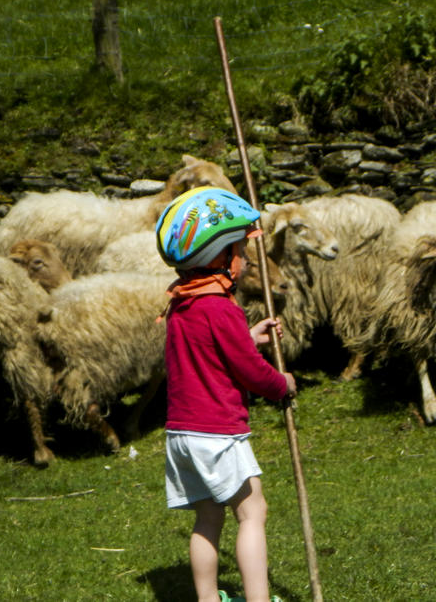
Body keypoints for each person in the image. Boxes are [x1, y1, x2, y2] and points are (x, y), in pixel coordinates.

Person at [156, 186, 297, 602]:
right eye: (240, 249)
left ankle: (206, 599)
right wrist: (281, 384)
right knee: (253, 512)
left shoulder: (181, 306)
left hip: (181, 434)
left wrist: (248, 337)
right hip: (217, 433)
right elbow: (248, 371)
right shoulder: (222, 308)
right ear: (219, 255)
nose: (246, 258)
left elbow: (209, 355)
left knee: (208, 517)